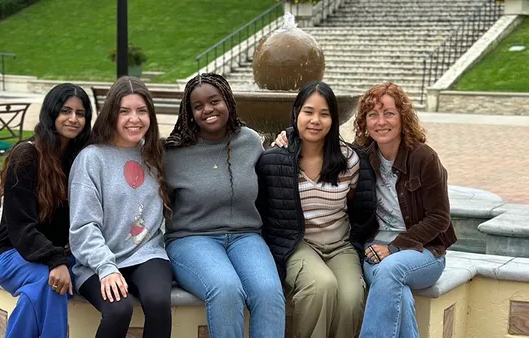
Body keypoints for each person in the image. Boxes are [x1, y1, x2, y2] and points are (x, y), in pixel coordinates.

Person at [163, 73, 285, 338]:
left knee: (268, 292)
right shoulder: (172, 151)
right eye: (198, 106)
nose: (207, 110)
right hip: (191, 238)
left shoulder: (250, 141)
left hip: (245, 236)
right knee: (226, 288)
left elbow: (268, 189)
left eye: (214, 101)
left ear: (228, 100)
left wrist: (288, 139)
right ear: (189, 112)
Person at [256, 81, 377, 338]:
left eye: (324, 113)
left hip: (340, 245)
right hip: (298, 244)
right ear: (297, 113)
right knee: (321, 286)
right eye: (308, 112)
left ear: (333, 119)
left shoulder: (350, 160)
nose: (315, 120)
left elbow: (362, 208)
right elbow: (263, 210)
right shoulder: (275, 159)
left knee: (351, 297)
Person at [68, 76, 172, 338]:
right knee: (119, 309)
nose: (134, 119)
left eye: (142, 111)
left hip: (147, 254)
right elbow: (83, 225)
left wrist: (284, 138)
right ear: (111, 114)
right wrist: (106, 267)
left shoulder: (155, 155)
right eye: (124, 111)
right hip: (96, 261)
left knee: (159, 302)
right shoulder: (91, 159)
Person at [0, 83, 93, 338]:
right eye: (65, 111)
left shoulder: (84, 158)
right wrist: (55, 261)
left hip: (61, 257)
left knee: (39, 292)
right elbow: (21, 227)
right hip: (14, 252)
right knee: (50, 283)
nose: (73, 119)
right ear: (51, 113)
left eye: (80, 113)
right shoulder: (26, 156)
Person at [354, 82, 456, 338]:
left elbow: (439, 219)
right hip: (374, 248)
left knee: (391, 270)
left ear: (403, 117)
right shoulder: (363, 157)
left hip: (424, 251)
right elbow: (323, 147)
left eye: (389, 113)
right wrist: (287, 135)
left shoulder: (424, 158)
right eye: (372, 114)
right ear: (364, 121)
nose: (381, 122)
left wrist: (394, 248)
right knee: (397, 291)